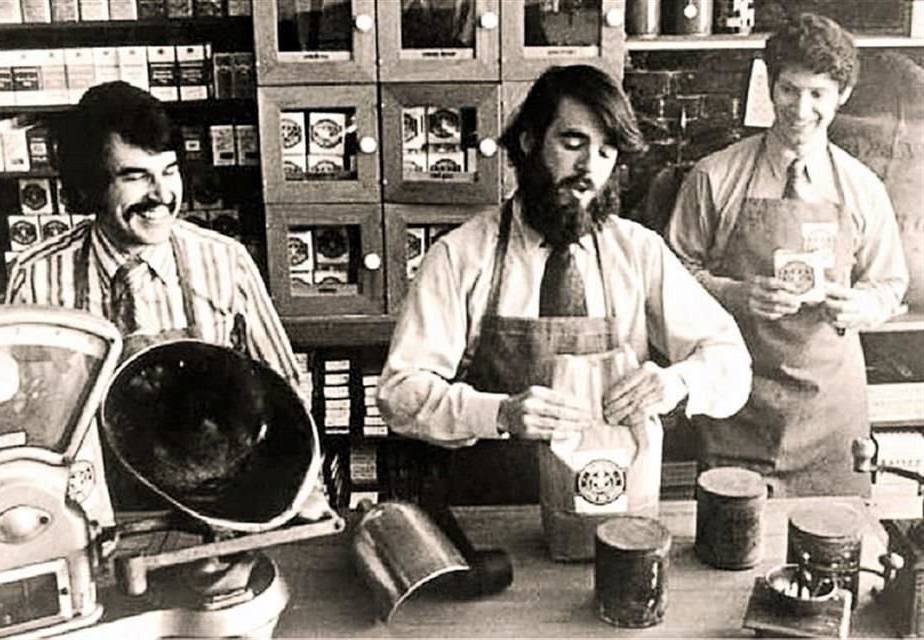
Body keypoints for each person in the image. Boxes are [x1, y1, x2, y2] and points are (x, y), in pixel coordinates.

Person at [377, 64, 752, 505]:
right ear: (529, 141)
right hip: (496, 511)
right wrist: (497, 412)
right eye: (572, 143)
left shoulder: (636, 251)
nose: (588, 168)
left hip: (613, 510)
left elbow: (732, 365)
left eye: (606, 152)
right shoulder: (461, 255)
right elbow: (399, 395)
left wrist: (678, 382)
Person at [5, 81, 329, 518]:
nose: (161, 195)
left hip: (214, 502)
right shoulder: (37, 276)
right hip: (93, 506)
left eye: (170, 171)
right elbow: (23, 417)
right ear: (90, 185)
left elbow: (285, 390)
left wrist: (298, 491)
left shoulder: (223, 261)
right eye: (135, 176)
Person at [666, 14, 909, 497]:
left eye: (817, 94)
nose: (800, 108)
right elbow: (669, 278)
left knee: (833, 551)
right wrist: (737, 294)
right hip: (738, 407)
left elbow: (888, 284)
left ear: (842, 95)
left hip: (829, 415)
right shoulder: (716, 177)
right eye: (789, 90)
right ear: (770, 87)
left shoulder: (862, 188)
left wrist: (862, 306)